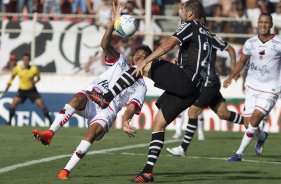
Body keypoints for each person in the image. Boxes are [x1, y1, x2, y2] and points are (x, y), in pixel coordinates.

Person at [89, 1, 215, 182]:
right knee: (158, 124)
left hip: (186, 80)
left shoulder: (191, 26)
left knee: (143, 65)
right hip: (195, 88)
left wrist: (145, 61)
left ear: (189, 15)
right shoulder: (207, 34)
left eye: (182, 9)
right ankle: (148, 171)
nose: (179, 10)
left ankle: (106, 98)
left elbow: (167, 46)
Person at [32, 3, 152, 179]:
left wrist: (126, 121)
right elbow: (104, 44)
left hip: (107, 111)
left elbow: (132, 106)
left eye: (143, 56)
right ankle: (50, 133)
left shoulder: (141, 86)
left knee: (92, 132)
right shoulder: (120, 61)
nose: (138, 57)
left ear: (148, 61)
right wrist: (112, 23)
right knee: (78, 97)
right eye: (137, 54)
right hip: (92, 96)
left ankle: (66, 170)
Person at [167, 34, 245, 157]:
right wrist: (179, 60)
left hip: (209, 81)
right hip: (201, 83)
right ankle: (255, 127)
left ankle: (183, 148)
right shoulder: (190, 38)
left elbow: (230, 49)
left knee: (192, 112)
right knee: (223, 114)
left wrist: (234, 70)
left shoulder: (210, 37)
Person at [223, 13, 281, 162]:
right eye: (261, 22)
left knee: (256, 119)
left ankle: (238, 154)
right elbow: (242, 62)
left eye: (266, 22)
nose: (263, 25)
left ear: (271, 25)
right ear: (257, 23)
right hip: (253, 87)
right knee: (248, 124)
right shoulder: (250, 43)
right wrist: (231, 76)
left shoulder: (279, 44)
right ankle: (262, 136)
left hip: (271, 89)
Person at [4, 53, 52, 125]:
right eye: (24, 60)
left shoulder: (34, 69)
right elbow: (12, 77)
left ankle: (51, 122)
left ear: (29, 60)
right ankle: (9, 122)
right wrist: (8, 84)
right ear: (22, 60)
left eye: (27, 60)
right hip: (22, 90)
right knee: (13, 103)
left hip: (32, 91)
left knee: (41, 104)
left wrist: (34, 82)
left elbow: (38, 78)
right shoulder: (18, 68)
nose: (25, 61)